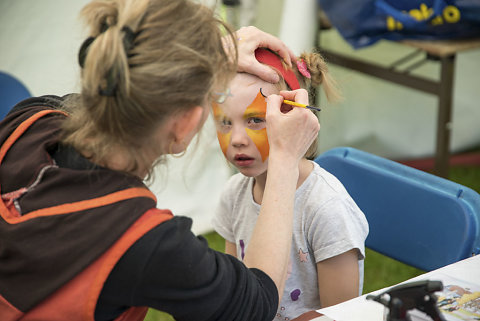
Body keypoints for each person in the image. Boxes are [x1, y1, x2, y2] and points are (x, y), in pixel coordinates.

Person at [0, 0, 320, 320]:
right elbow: (257, 303)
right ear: (183, 123)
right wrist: (283, 158)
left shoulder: (29, 120)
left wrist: (199, 61)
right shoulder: (143, 242)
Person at [211, 48, 369, 320]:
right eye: (225, 122)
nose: (236, 138)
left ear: (295, 117)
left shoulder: (326, 209)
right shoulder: (233, 195)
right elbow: (236, 289)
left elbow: (340, 315)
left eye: (256, 120)